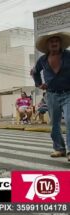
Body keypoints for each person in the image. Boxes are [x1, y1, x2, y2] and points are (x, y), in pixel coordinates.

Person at [32, 32, 70, 161]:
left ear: (60, 44)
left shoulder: (68, 55)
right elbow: (34, 72)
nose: (54, 43)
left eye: (56, 41)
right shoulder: (42, 60)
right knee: (54, 123)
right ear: (47, 45)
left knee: (69, 120)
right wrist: (39, 84)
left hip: (68, 93)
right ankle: (59, 148)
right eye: (51, 41)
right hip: (52, 95)